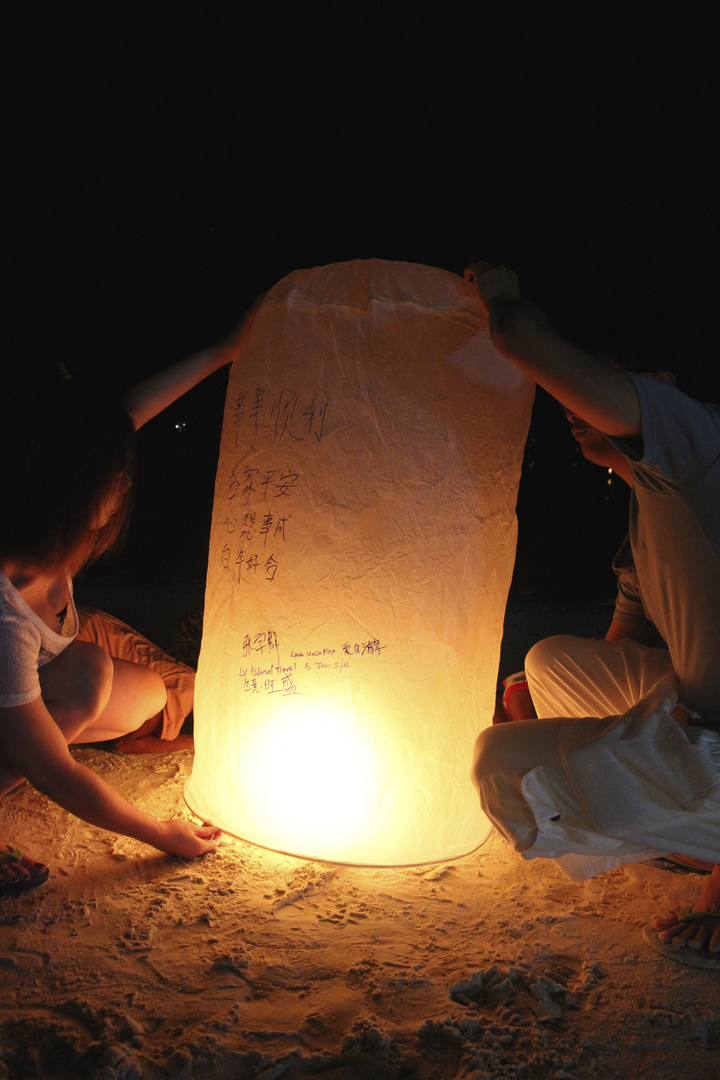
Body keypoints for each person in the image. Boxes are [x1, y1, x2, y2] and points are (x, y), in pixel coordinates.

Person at [465, 262, 720, 963]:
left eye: (593, 386)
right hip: (700, 716)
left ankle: (712, 861)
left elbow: (517, 332)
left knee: (498, 763)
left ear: (659, 392)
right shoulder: (649, 507)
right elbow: (618, 653)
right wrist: (570, 732)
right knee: (544, 668)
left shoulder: (700, 443)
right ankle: (684, 830)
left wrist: (502, 299)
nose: (570, 406)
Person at [0, 314, 255, 897]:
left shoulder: (40, 522)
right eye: (112, 480)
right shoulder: (4, 611)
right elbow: (58, 775)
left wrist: (225, 348)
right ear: (67, 492)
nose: (120, 492)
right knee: (76, 696)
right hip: (9, 681)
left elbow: (122, 417)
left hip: (25, 676)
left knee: (141, 690)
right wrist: (163, 834)